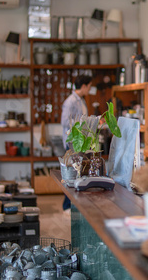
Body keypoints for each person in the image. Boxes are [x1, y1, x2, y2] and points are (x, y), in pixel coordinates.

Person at [61, 75, 92, 211]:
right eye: (89, 86)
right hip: (73, 142)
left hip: (81, 142)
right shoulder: (71, 101)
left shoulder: (80, 101)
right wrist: (80, 126)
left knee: (79, 174)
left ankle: (74, 205)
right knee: (72, 175)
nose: (90, 89)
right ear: (84, 86)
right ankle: (67, 206)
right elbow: (64, 122)